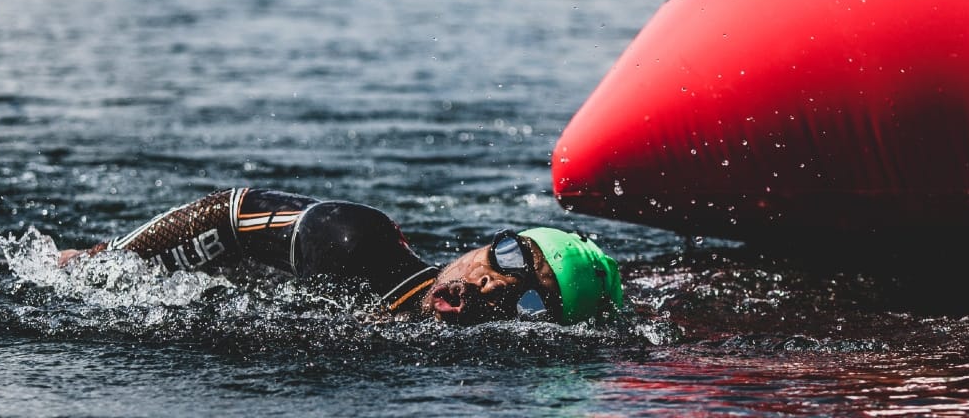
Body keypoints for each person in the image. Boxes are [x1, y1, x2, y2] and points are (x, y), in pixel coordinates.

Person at [57, 187, 624, 326]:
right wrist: (108, 262)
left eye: (530, 299)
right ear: (485, 241)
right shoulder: (354, 243)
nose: (495, 287)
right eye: (508, 258)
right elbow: (228, 214)